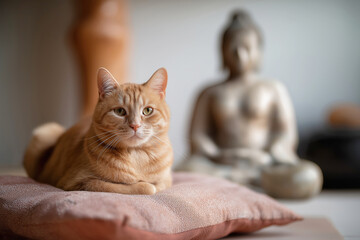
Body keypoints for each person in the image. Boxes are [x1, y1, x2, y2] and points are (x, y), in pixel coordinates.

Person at [178, 10, 322, 198]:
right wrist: (218, 154)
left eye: (247, 47)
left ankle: (244, 181)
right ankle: (241, 180)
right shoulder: (209, 92)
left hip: (264, 164)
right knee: (182, 172)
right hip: (221, 164)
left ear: (258, 51)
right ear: (222, 51)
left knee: (309, 176)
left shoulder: (273, 89)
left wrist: (269, 155)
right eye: (233, 48)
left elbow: (286, 134)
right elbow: (197, 136)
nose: (239, 54)